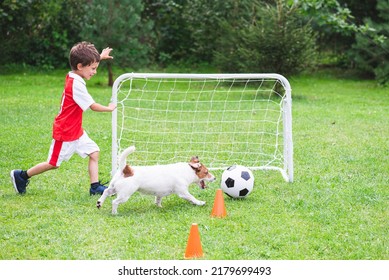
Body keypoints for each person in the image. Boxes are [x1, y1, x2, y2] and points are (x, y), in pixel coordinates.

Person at [10, 41, 116, 195]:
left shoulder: (73, 74)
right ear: (80, 66)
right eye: (93, 68)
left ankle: (95, 187)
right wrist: (109, 108)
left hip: (76, 130)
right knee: (53, 164)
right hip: (65, 131)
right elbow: (93, 106)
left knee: (94, 152)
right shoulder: (76, 85)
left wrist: (99, 57)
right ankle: (21, 175)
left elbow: (84, 64)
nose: (94, 72)